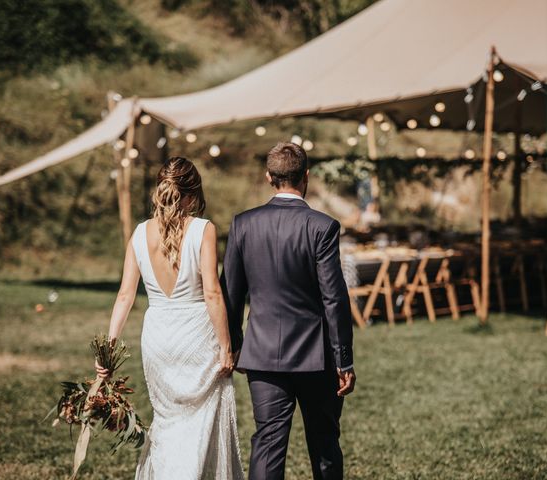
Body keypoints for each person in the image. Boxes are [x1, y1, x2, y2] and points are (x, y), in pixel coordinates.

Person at [95, 156, 244, 479]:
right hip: (197, 336)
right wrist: (225, 345)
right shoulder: (203, 229)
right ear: (192, 195)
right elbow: (212, 293)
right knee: (202, 423)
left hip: (159, 337)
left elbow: (125, 295)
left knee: (167, 423)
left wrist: (108, 349)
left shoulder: (138, 234)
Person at [222, 142, 356, 480]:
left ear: (269, 177)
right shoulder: (322, 227)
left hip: (262, 354)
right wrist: (344, 359)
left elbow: (231, 293)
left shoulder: (243, 224)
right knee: (324, 444)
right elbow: (334, 298)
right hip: (317, 357)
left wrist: (234, 344)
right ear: (307, 176)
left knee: (267, 446)